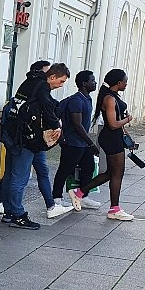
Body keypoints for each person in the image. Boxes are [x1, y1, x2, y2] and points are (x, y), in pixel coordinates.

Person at [0, 60, 69, 219]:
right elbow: (47, 108)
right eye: (61, 81)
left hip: (13, 135)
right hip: (25, 139)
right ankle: (16, 214)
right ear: (52, 77)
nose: (61, 85)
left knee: (11, 175)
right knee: (19, 178)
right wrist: (57, 126)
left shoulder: (29, 83)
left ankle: (9, 212)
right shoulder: (42, 86)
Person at [69, 69, 134, 220]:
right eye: (125, 81)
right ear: (118, 82)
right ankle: (114, 209)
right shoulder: (109, 98)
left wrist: (126, 134)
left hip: (115, 137)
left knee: (110, 173)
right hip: (111, 138)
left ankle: (79, 192)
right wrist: (128, 119)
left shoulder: (113, 96)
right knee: (117, 173)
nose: (126, 84)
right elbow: (113, 124)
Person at [52, 71, 103, 209]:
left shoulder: (87, 98)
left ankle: (82, 196)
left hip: (82, 143)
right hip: (73, 143)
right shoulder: (77, 100)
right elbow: (77, 124)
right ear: (84, 83)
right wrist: (90, 143)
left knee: (88, 167)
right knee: (65, 170)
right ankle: (56, 199)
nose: (95, 83)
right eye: (92, 80)